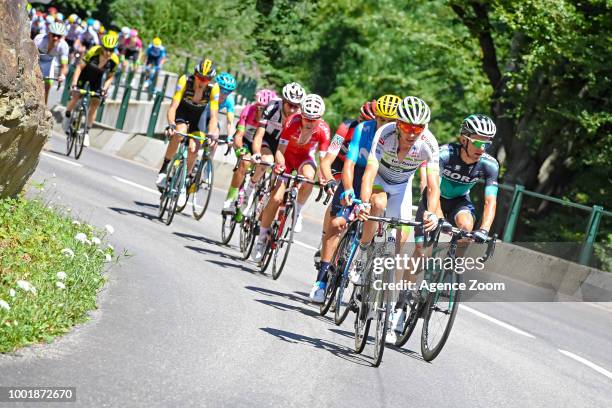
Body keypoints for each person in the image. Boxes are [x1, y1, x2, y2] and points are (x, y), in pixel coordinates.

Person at [354, 96, 441, 342]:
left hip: (402, 187)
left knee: (400, 250)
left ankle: (389, 317)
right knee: (378, 204)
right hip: (381, 181)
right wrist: (363, 202)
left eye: (418, 128)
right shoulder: (384, 133)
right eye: (407, 127)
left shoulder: (429, 143)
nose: (412, 133)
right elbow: (369, 173)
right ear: (398, 124)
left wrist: (432, 213)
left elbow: (433, 186)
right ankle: (362, 256)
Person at [308, 96, 396, 302]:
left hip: (375, 177)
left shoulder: (393, 135)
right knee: (337, 222)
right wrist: (337, 184)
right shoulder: (349, 128)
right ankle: (321, 279)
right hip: (350, 170)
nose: (380, 125)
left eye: (386, 121)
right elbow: (331, 160)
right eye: (377, 120)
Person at [251, 94, 331, 262]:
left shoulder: (323, 130)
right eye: (306, 118)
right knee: (277, 197)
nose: (308, 123)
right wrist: (279, 165)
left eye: (313, 120)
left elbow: (323, 159)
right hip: (286, 157)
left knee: (309, 177)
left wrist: (324, 177)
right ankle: (261, 238)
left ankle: (298, 212)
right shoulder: (292, 122)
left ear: (320, 118)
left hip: (304, 158)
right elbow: (280, 150)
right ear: (301, 115)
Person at [414, 114, 499, 246]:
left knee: (466, 227)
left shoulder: (490, 165)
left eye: (486, 144)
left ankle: (454, 264)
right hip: (434, 198)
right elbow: (433, 188)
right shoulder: (444, 155)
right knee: (421, 251)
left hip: (459, 200)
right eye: (477, 142)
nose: (482, 149)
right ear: (463, 140)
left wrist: (484, 230)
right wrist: (440, 218)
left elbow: (490, 201)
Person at [156, 59, 220, 206]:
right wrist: (171, 124)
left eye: (206, 79)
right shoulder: (185, 80)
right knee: (179, 133)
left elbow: (214, 115)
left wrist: (210, 133)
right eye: (199, 77)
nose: (202, 81)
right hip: (183, 112)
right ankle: (164, 168)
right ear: (195, 74)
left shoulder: (213, 88)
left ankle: (183, 183)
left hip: (199, 116)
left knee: (194, 148)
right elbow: (173, 106)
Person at [222, 89, 278, 215]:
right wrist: (240, 150)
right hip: (247, 141)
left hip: (263, 144)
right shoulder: (248, 110)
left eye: (265, 109)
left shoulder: (273, 117)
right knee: (244, 163)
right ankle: (230, 199)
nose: (261, 112)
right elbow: (239, 135)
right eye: (259, 108)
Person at [250, 82, 305, 206]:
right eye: (290, 104)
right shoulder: (272, 107)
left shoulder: (301, 116)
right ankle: (251, 185)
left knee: (282, 168)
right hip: (268, 139)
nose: (292, 109)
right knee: (267, 160)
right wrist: (257, 154)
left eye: (296, 106)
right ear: (284, 101)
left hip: (285, 144)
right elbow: (259, 134)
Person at [62, 33, 120, 147]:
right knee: (76, 96)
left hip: (97, 78)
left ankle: (87, 132)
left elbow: (110, 77)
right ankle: (67, 116)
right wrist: (74, 83)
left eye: (111, 50)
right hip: (84, 74)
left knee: (95, 103)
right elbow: (79, 67)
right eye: (106, 49)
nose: (108, 52)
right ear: (102, 47)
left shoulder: (114, 60)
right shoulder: (93, 52)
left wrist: (105, 89)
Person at [34, 22, 69, 104]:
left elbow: (64, 66)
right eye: (54, 35)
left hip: (49, 62)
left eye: (59, 36)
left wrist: (62, 75)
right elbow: (30, 55)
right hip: (36, 59)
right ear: (49, 33)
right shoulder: (39, 39)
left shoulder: (63, 46)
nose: (56, 38)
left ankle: (44, 107)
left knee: (47, 87)